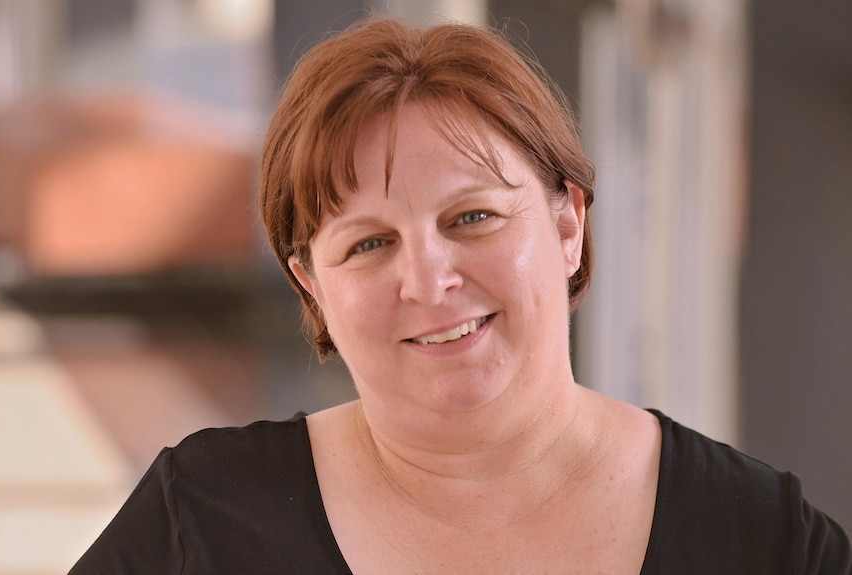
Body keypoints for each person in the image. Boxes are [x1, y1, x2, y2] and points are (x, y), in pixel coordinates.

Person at [69, 17, 851, 574]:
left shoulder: (760, 536)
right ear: (313, 285)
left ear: (568, 223)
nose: (429, 280)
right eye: (369, 243)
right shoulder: (201, 520)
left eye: (472, 217)